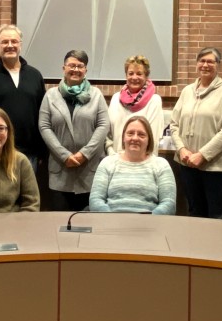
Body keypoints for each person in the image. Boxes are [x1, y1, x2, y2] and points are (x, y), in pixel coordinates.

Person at [170, 47, 222, 218]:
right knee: (194, 211)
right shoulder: (187, 91)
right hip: (187, 164)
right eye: (202, 61)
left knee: (215, 214)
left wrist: (203, 155)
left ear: (218, 65)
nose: (205, 65)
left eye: (210, 61)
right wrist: (182, 150)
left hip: (214, 167)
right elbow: (174, 124)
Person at [39, 50, 109, 211]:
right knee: (61, 225)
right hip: (60, 171)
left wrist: (85, 153)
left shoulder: (96, 95)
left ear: (85, 70)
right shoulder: (50, 96)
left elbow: (103, 125)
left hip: (89, 171)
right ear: (63, 68)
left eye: (80, 66)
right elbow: (44, 126)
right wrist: (64, 155)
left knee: (89, 225)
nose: (75, 69)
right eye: (71, 65)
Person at [0, 24, 46, 172]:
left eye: (14, 41)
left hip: (29, 153)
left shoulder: (35, 76)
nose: (10, 45)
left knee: (27, 195)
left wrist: (42, 151)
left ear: (20, 44)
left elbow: (42, 114)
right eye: (5, 42)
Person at [90, 116, 176, 215]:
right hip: (112, 224)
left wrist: (148, 221)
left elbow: (169, 203)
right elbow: (95, 200)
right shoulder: (107, 163)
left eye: (141, 135)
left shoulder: (161, 165)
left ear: (149, 140)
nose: (135, 138)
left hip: (150, 226)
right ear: (123, 138)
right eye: (130, 133)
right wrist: (112, 219)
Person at [105, 55, 164, 156]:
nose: (134, 77)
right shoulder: (116, 99)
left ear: (146, 77)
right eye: (131, 73)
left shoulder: (154, 101)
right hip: (115, 160)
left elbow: (153, 139)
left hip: (142, 163)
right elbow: (107, 133)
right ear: (126, 75)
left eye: (139, 74)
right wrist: (111, 153)